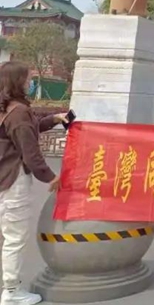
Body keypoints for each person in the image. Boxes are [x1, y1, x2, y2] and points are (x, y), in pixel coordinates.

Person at [0, 62, 68, 305]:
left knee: (6, 235)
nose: (31, 83)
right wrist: (51, 177)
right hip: (12, 181)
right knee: (14, 238)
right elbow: (30, 153)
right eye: (28, 79)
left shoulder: (6, 108)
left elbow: (26, 130)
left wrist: (54, 119)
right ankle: (11, 291)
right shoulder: (18, 111)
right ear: (17, 82)